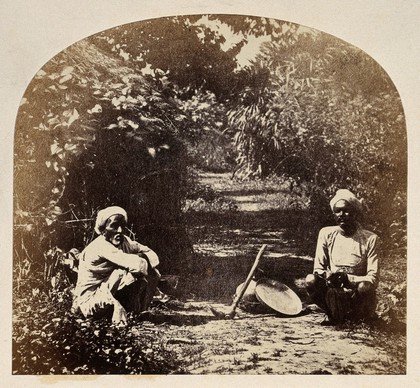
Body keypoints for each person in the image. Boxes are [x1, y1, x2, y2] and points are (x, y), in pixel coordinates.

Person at [72, 206, 161, 325]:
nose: (119, 230)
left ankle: (139, 311)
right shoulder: (101, 246)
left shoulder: (124, 241)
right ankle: (119, 315)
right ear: (103, 229)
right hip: (90, 300)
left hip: (107, 291)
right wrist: (141, 258)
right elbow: (136, 265)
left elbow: (151, 254)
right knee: (124, 272)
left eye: (122, 226)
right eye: (114, 226)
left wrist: (143, 258)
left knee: (154, 273)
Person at [305, 189, 379, 324]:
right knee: (311, 280)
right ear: (334, 213)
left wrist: (349, 279)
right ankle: (331, 311)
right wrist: (328, 276)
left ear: (355, 213)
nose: (342, 215)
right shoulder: (326, 234)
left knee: (365, 286)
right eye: (338, 211)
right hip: (334, 290)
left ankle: (356, 315)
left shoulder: (370, 238)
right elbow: (318, 269)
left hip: (356, 292)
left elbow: (373, 278)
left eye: (346, 211)